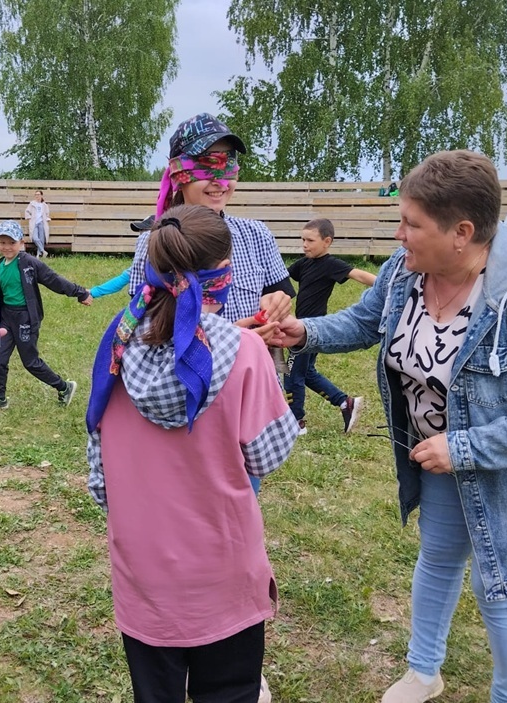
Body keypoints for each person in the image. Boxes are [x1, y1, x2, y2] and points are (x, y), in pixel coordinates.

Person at [279, 150, 507, 703]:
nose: (399, 234)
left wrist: (468, 446)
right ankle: (423, 673)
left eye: (411, 223)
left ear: (462, 233)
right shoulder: (404, 271)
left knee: (497, 586)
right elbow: (366, 319)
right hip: (439, 455)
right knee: (438, 559)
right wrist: (305, 332)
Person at [86, 204, 300, 703]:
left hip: (142, 578)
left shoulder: (115, 346)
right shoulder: (245, 351)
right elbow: (268, 456)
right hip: (223, 577)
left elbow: (100, 480)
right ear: (223, 273)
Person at [129, 113, 295, 333]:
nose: (220, 181)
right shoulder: (152, 243)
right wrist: (233, 340)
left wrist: (277, 303)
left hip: (256, 355)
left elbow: (280, 305)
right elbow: (145, 325)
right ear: (179, 174)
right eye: (206, 166)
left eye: (228, 164)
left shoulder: (257, 235)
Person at [0, 219, 91, 410]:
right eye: (2, 242)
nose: (7, 247)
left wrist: (80, 293)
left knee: (30, 362)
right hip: (5, 318)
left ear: (21, 243)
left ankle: (64, 387)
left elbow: (54, 280)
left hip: (26, 318)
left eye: (12, 242)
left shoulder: (30, 263)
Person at [284, 218, 376, 435]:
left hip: (313, 330)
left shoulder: (331, 264)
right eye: (303, 240)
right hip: (300, 327)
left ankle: (296, 422)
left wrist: (389, 286)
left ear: (327, 241)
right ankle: (345, 402)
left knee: (292, 375)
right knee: (306, 373)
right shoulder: (304, 263)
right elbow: (282, 276)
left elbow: (359, 275)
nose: (304, 245)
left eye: (310, 240)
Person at [89, 216, 157, 300]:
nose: (141, 236)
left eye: (143, 232)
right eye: (141, 232)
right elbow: (123, 279)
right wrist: (93, 292)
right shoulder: (138, 268)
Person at [24, 189, 51, 258]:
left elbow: (47, 214)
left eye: (38, 194)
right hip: (34, 223)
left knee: (41, 239)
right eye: (36, 195)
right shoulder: (32, 204)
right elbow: (27, 211)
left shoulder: (44, 205)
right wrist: (29, 217)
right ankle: (43, 251)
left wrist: (47, 219)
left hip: (42, 223)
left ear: (41, 195)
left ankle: (39, 255)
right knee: (35, 238)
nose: (37, 196)